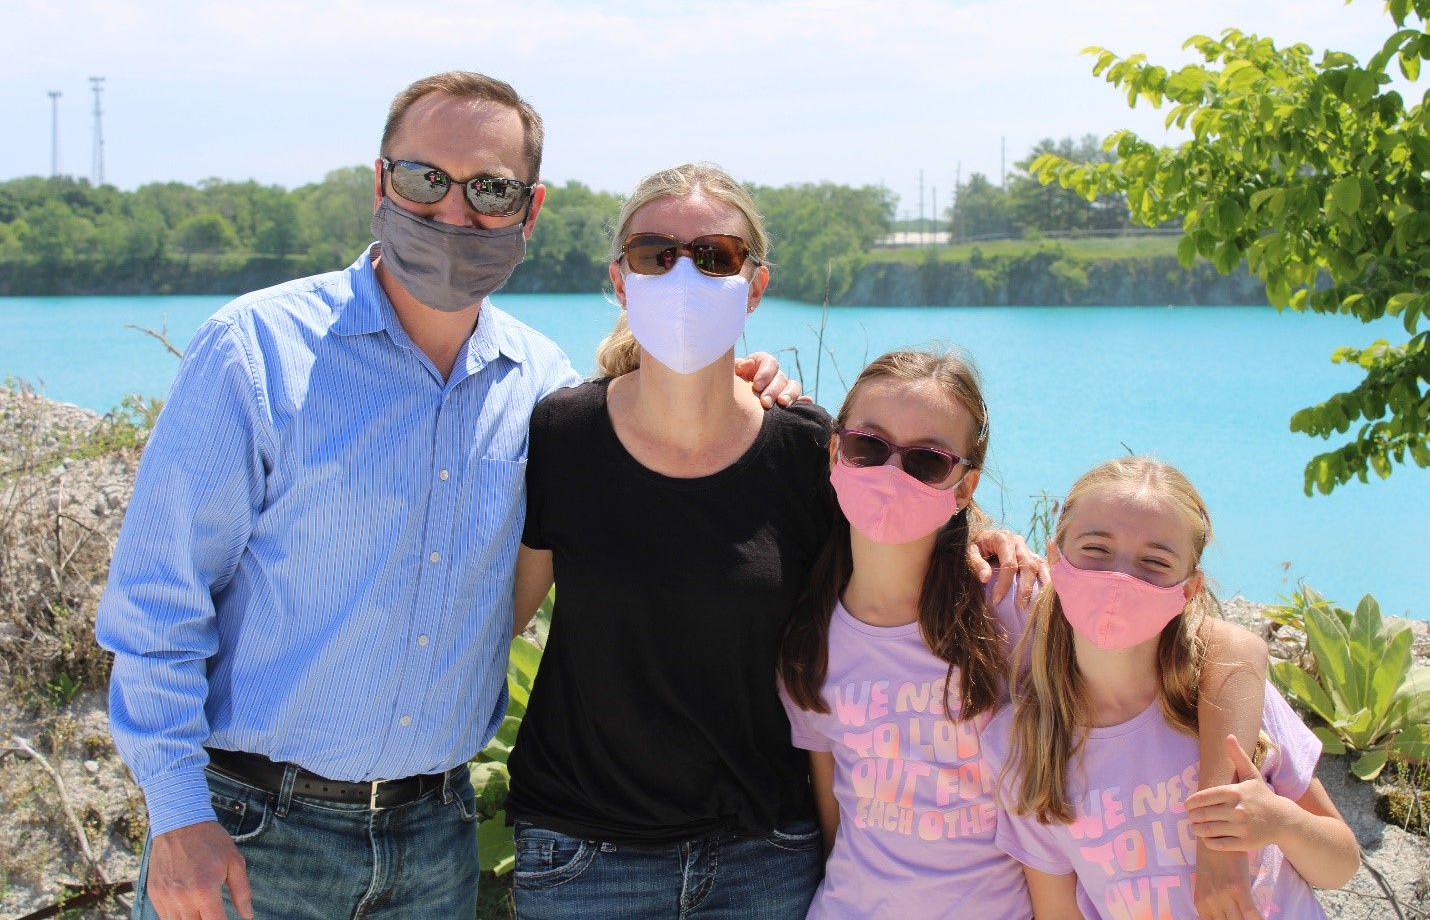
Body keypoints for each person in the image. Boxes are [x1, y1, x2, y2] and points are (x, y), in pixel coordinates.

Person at [95, 73, 797, 920]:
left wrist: (749, 385)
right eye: (427, 178)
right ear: (380, 182)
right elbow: (155, 604)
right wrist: (176, 815)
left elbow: (650, 423)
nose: (454, 211)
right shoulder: (254, 352)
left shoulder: (540, 388)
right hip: (252, 831)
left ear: (528, 212)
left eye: (491, 189)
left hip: (434, 841)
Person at [504, 164, 1039, 920]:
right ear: (621, 280)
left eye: (715, 254)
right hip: (587, 853)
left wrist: (988, 540)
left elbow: (898, 517)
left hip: (766, 854)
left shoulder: (806, 447)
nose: (684, 272)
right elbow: (493, 621)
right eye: (657, 253)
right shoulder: (562, 433)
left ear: (755, 286)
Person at [778, 355, 1278, 920]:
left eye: (927, 461)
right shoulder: (808, 637)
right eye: (869, 446)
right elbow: (834, 822)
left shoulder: (1010, 603)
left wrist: (1219, 836)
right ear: (835, 451)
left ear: (964, 486)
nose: (893, 473)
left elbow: (1231, 648)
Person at [984, 457, 1359, 920]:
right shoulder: (1022, 744)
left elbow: (1341, 865)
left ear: (1189, 588)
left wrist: (1282, 822)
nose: (1121, 576)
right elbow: (1058, 909)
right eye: (1096, 548)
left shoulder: (1227, 695)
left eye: (1155, 562)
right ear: (1056, 558)